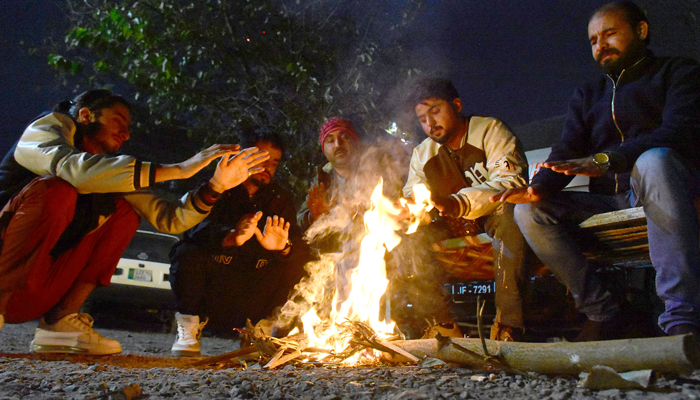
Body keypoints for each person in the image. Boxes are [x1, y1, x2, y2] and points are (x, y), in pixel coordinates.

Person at [0, 89, 269, 354]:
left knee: (125, 213)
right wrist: (183, 168)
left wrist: (216, 185)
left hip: (36, 288)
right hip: (6, 269)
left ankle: (61, 322)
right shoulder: (46, 130)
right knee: (57, 192)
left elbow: (171, 219)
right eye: (118, 121)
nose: (126, 134)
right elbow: (73, 171)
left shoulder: (107, 172)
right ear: (85, 115)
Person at [492, 1, 700, 340]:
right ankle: (604, 311)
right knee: (529, 210)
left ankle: (682, 318)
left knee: (654, 159)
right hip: (612, 199)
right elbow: (568, 148)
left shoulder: (678, 73)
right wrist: (537, 188)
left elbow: (679, 131)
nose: (600, 45)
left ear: (641, 31)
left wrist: (607, 160)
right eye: (593, 40)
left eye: (609, 34)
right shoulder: (589, 94)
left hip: (667, 189)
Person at [402, 77, 532, 341]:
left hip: (494, 219)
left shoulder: (489, 131)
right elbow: (413, 196)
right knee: (408, 234)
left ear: (457, 105)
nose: (430, 123)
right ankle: (440, 324)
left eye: (435, 111)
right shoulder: (422, 153)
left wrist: (459, 203)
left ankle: (509, 325)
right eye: (422, 118)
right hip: (451, 227)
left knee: (510, 213)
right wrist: (410, 210)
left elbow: (511, 182)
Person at [168, 129, 310, 356]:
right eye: (261, 159)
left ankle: (260, 332)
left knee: (296, 263)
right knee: (185, 253)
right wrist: (230, 236)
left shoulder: (280, 199)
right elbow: (192, 228)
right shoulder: (218, 186)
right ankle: (189, 328)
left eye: (274, 163)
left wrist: (283, 248)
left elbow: (300, 246)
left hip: (255, 290)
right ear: (242, 156)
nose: (268, 168)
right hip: (216, 286)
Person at [296, 117, 361, 233]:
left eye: (345, 137)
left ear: (355, 142)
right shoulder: (322, 180)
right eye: (330, 141)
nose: (338, 144)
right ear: (324, 150)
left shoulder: (377, 172)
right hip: (338, 248)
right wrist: (314, 216)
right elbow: (300, 220)